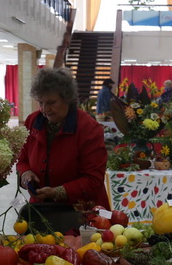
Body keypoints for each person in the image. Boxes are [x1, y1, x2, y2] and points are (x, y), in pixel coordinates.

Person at [16, 67, 110, 210]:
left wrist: (57, 192)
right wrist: (25, 174)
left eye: (51, 102)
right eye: (40, 102)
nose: (44, 109)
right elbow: (23, 160)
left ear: (67, 99)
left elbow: (93, 179)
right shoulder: (32, 121)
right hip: (41, 208)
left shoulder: (89, 128)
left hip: (83, 211)